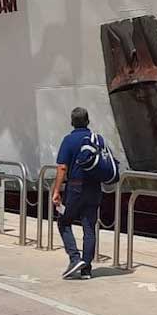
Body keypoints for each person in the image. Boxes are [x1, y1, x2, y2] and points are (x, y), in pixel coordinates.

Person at [51, 107, 103, 280]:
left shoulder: (69, 140)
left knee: (64, 221)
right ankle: (86, 269)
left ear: (72, 122)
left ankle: (75, 259)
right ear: (88, 121)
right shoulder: (97, 139)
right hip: (95, 188)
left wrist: (57, 190)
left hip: (75, 187)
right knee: (89, 228)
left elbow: (62, 167)